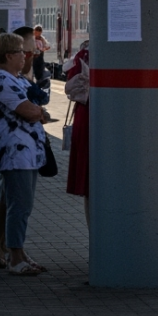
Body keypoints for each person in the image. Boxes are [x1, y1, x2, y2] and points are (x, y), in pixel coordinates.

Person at [0, 33, 48, 276]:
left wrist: (39, 111)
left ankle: (19, 251)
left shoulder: (18, 78)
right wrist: (38, 112)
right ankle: (14, 256)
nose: (26, 56)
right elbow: (29, 111)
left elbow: (38, 108)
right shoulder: (2, 79)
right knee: (19, 205)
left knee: (22, 203)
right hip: (15, 152)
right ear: (9, 55)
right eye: (22, 52)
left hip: (28, 152)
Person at [64, 40, 91, 219]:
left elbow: (71, 88)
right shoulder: (84, 55)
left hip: (86, 115)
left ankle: (94, 231)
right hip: (93, 117)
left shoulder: (83, 55)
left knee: (89, 179)